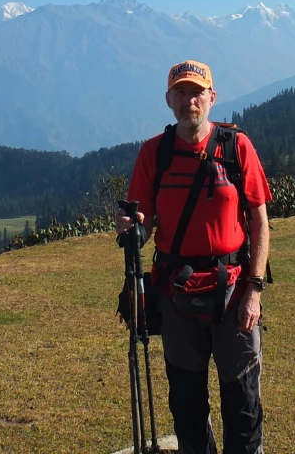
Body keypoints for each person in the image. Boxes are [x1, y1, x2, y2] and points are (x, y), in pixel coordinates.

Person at [116, 59, 272, 454]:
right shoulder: (155, 153)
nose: (190, 101)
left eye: (197, 92)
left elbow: (259, 222)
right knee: (186, 404)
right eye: (181, 93)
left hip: (234, 294)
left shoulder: (237, 148)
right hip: (176, 293)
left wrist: (254, 290)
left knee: (243, 403)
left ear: (212, 98)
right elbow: (145, 220)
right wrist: (134, 228)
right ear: (169, 100)